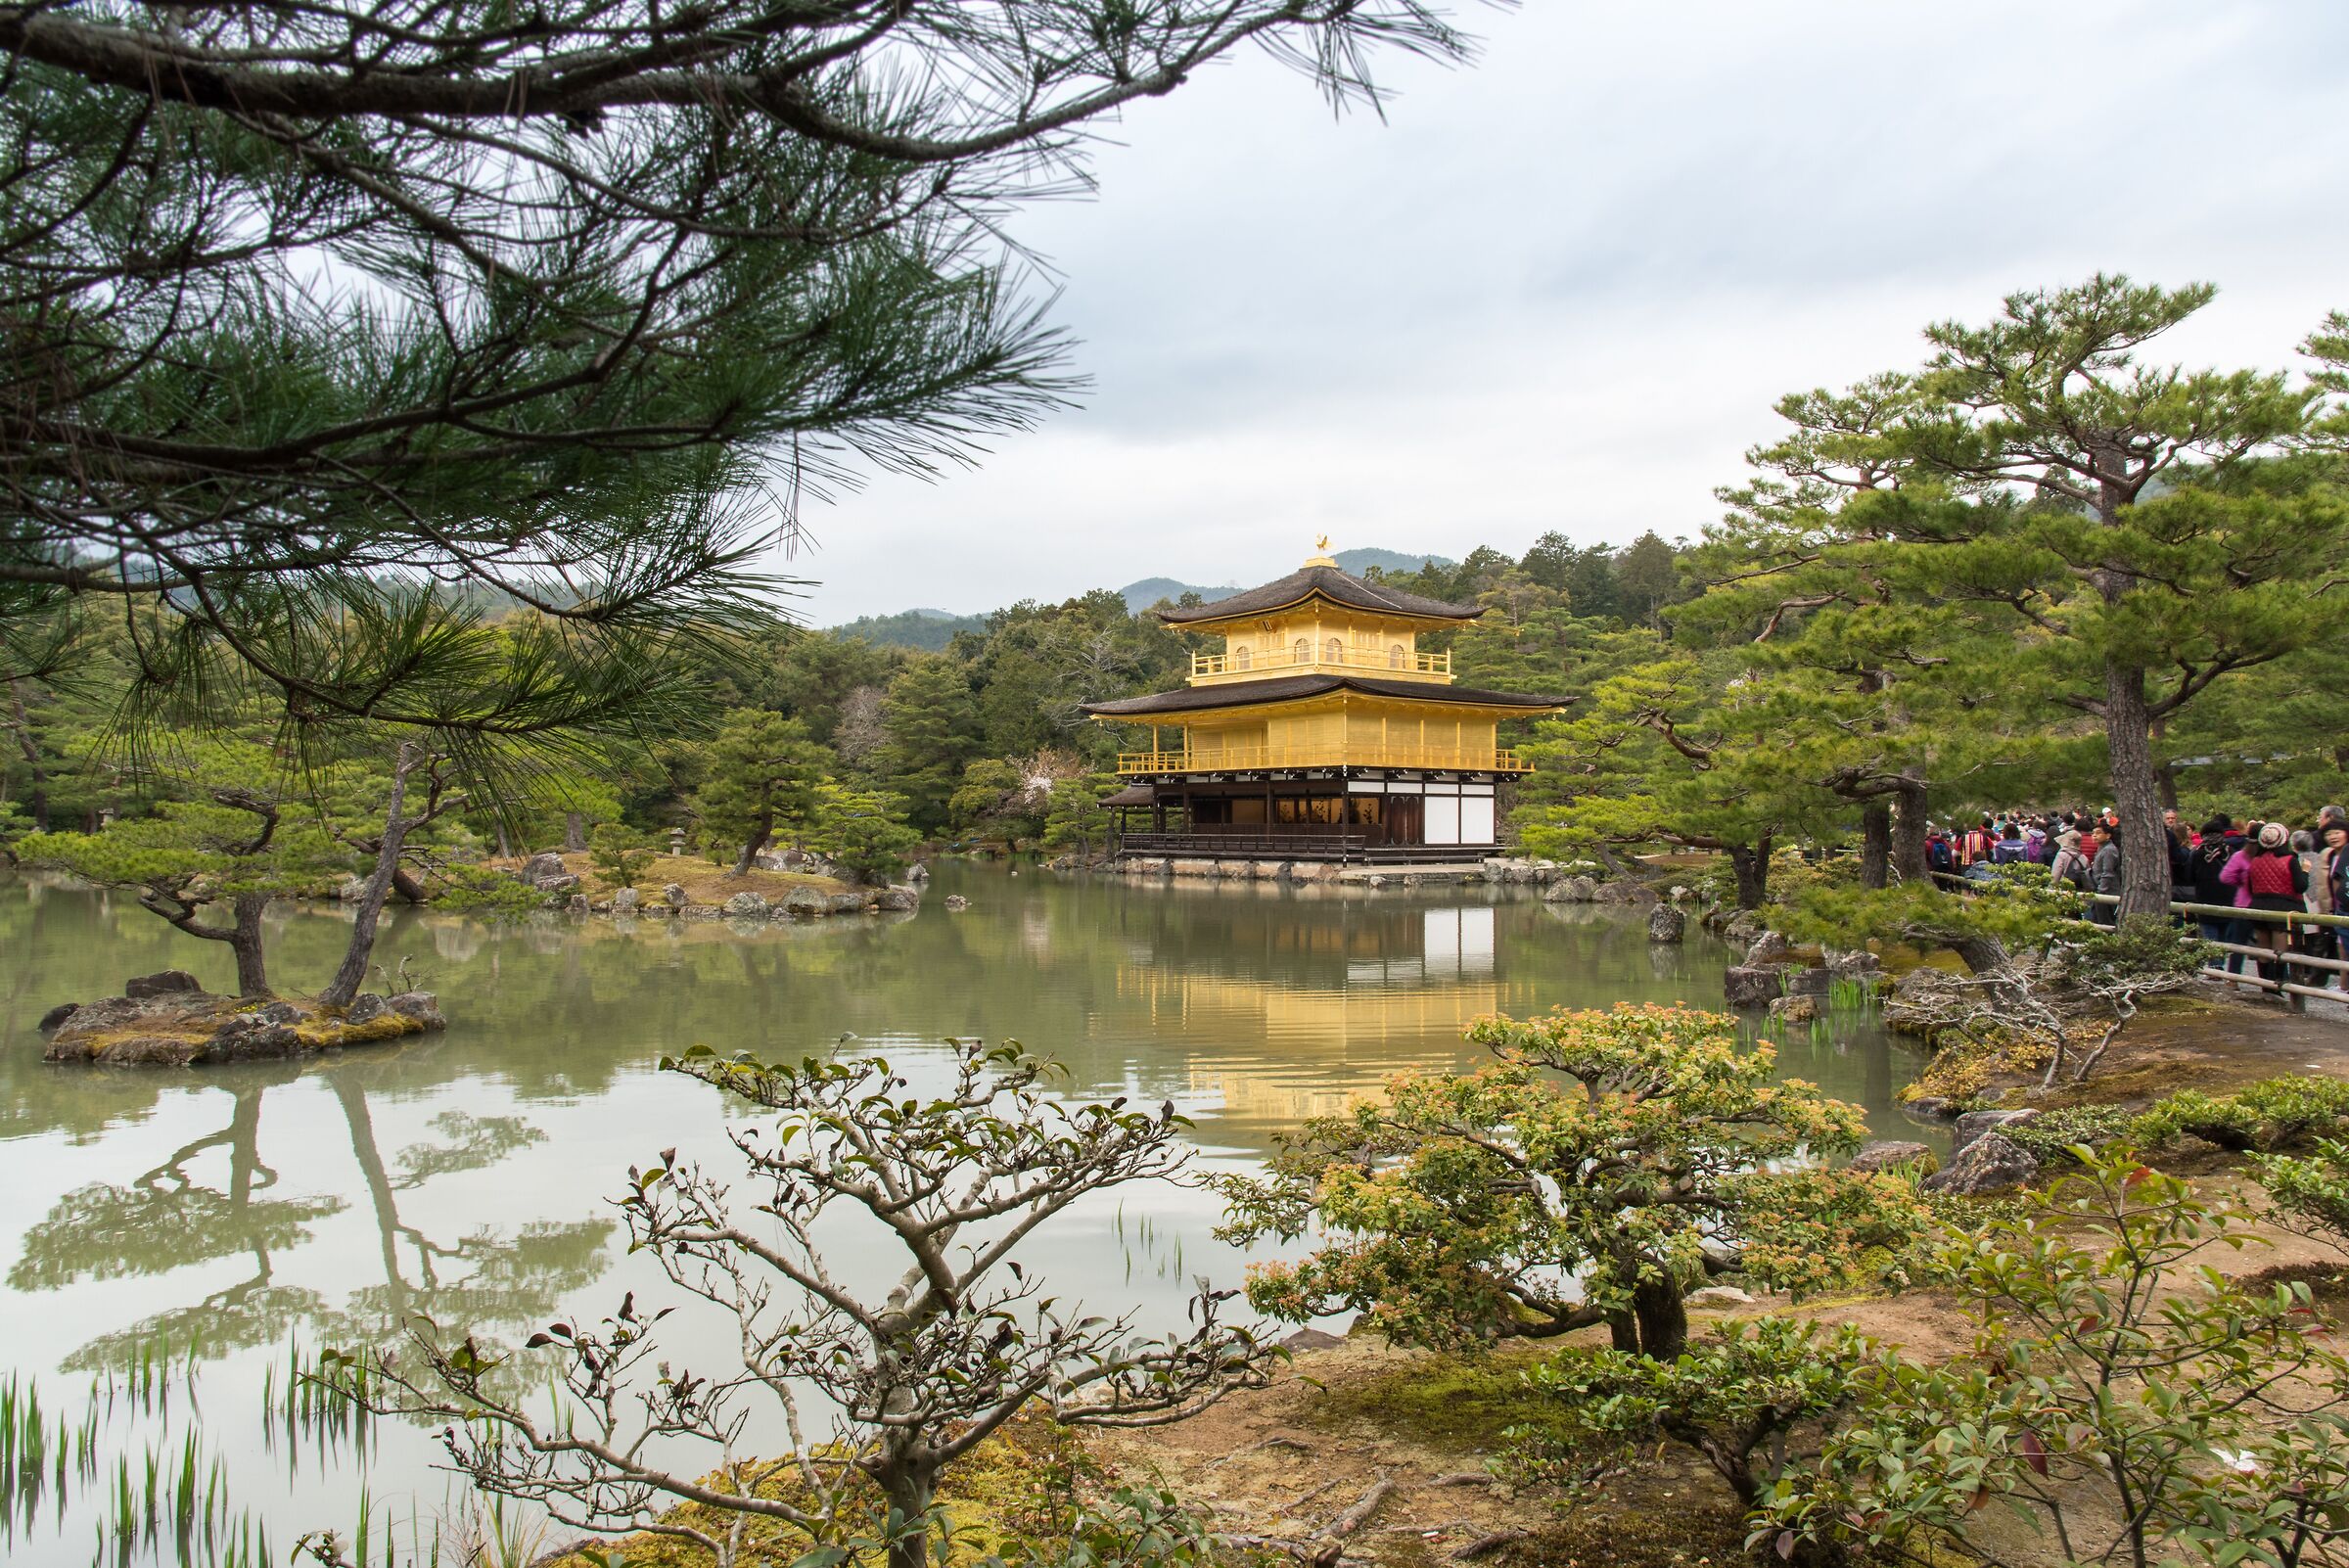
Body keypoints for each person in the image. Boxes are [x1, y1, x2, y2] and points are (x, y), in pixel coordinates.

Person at [2225, 823, 2309, 983]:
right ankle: (2278, 982)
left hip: (2259, 906)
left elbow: (2250, 887)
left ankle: (2265, 983)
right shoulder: (2290, 860)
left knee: (2263, 949)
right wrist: (2305, 871)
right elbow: (2300, 886)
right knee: (2279, 950)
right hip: (2283, 907)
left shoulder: (2255, 860)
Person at [2191, 814, 2248, 973]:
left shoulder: (2198, 853)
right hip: (2228, 895)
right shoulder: (2230, 851)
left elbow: (2189, 875)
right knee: (2223, 931)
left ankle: (2215, 966)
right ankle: (2218, 963)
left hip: (2205, 896)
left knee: (2210, 932)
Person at [2089, 828, 2123, 925]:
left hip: (2107, 891)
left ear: (2108, 835)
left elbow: (2108, 872)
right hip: (2098, 889)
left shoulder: (2109, 850)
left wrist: (2101, 890)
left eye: (2098, 833)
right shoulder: (2101, 848)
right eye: (2093, 833)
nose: (2094, 835)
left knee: (2105, 921)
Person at [2049, 828, 2093, 893]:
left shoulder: (2061, 855)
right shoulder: (2083, 857)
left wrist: (2051, 890)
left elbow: (2055, 876)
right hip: (2080, 891)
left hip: (2064, 891)